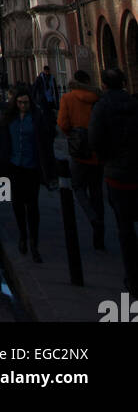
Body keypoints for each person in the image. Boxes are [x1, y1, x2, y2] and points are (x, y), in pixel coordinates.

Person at [89, 67, 138, 299]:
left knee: (125, 228)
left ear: (105, 85)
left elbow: (95, 139)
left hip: (117, 175)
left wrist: (105, 159)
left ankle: (133, 277)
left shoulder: (102, 107)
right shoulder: (135, 104)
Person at [0, 85, 56, 262]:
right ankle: (22, 235)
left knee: (33, 205)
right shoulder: (8, 118)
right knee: (16, 203)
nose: (23, 106)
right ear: (15, 103)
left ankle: (33, 242)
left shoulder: (37, 118)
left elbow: (47, 140)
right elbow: (1, 144)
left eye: (26, 103)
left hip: (32, 167)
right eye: (20, 102)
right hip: (13, 166)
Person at [57, 70, 105, 249]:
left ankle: (92, 218)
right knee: (97, 191)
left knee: (77, 187)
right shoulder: (98, 98)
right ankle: (99, 235)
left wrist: (73, 136)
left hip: (78, 152)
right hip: (96, 152)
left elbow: (62, 123)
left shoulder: (68, 98)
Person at [31, 64, 60, 135]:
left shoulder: (52, 78)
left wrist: (56, 99)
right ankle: (48, 128)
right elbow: (35, 88)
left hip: (50, 99)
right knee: (46, 114)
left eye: (48, 71)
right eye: (46, 71)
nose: (47, 72)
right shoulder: (40, 78)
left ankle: (51, 128)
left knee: (51, 114)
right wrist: (34, 98)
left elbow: (54, 88)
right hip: (43, 99)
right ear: (44, 71)